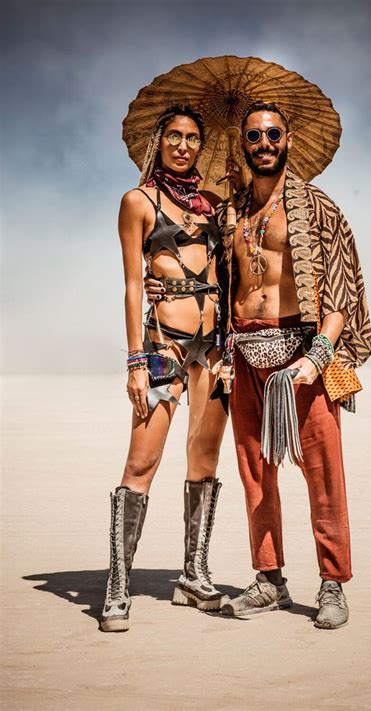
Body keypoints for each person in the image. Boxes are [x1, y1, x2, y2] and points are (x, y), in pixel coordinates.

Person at [146, 101, 371, 629]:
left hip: (302, 355)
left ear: (288, 139)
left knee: (323, 475)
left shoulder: (319, 208)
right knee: (255, 474)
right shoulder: (231, 212)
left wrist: (319, 356)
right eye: (254, 136)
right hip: (245, 356)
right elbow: (196, 266)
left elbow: (340, 293)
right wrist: (165, 285)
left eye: (273, 134)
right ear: (243, 144)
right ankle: (269, 580)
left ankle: (333, 584)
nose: (264, 144)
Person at [100, 105, 230, 633]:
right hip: (163, 347)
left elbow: (230, 277)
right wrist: (135, 361)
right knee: (141, 464)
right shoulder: (138, 202)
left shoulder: (216, 208)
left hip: (215, 352)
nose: (183, 145)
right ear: (159, 141)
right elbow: (134, 284)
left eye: (192, 138)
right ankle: (117, 584)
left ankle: (193, 575)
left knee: (204, 461)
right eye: (174, 136)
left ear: (202, 145)